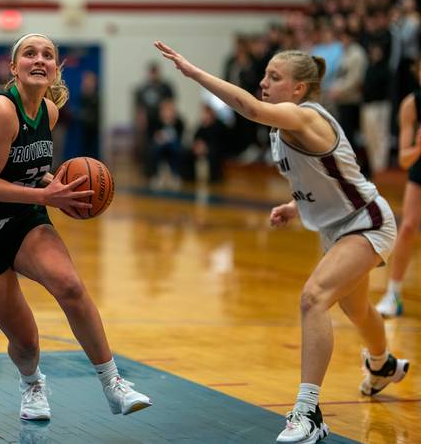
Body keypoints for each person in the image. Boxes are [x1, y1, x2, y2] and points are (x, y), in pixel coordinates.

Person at [154, 41, 409, 444]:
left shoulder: (303, 116)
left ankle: (309, 412)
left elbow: (251, 109)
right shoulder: (286, 127)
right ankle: (382, 364)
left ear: (298, 89)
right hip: (337, 226)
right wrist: (295, 204)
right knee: (356, 308)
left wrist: (195, 73)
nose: (263, 81)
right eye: (265, 75)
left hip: (366, 221)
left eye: (274, 77)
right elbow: (325, 175)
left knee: (314, 298)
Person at [0, 33, 152, 421]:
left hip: (23, 218)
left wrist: (57, 184)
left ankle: (113, 384)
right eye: (29, 54)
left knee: (70, 286)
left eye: (48, 55)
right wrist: (47, 197)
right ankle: (32, 383)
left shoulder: (50, 113)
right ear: (13, 67)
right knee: (26, 341)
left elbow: (30, 173)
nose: (39, 59)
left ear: (56, 68)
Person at [375, 58, 421, 317]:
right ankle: (393, 294)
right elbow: (404, 159)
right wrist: (418, 147)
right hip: (420, 166)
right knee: (407, 227)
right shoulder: (411, 104)